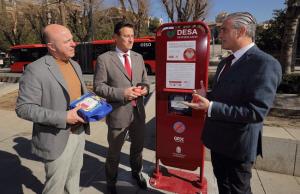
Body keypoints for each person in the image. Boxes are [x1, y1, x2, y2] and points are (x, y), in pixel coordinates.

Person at [183, 12, 282, 194]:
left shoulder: (265, 64)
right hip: (217, 141)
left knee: (238, 190)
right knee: (223, 186)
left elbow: (255, 112)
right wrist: (208, 95)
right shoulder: (226, 62)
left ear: (241, 31)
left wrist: (210, 107)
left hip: (238, 146)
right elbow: (227, 95)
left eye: (224, 30)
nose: (219, 35)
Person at [16, 24, 90, 194]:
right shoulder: (35, 70)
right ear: (52, 47)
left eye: (72, 39)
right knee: (55, 187)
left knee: (73, 179)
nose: (74, 44)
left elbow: (76, 95)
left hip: (79, 133)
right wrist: (63, 117)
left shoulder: (75, 65)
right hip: (57, 138)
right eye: (67, 41)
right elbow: (23, 108)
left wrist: (92, 102)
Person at [93, 21, 149, 194]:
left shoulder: (138, 57)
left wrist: (145, 89)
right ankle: (111, 181)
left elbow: (146, 82)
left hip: (138, 113)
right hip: (118, 114)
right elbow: (98, 87)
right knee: (114, 152)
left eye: (132, 36)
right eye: (126, 36)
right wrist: (122, 93)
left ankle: (136, 172)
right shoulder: (104, 59)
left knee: (138, 149)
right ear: (115, 37)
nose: (131, 40)